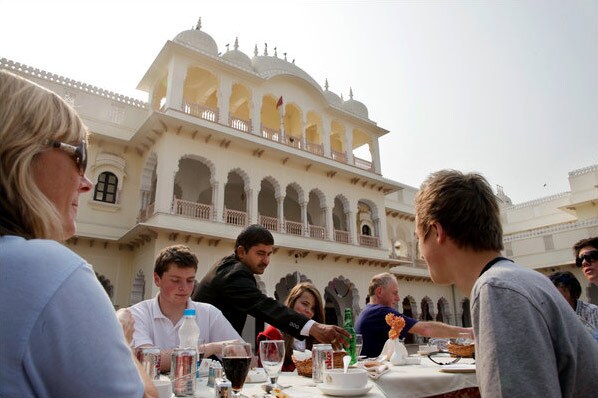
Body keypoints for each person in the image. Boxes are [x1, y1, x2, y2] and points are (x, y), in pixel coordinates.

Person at [0, 70, 156, 397]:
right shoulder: (43, 269)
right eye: (79, 156)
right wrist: (120, 340)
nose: (87, 184)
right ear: (23, 152)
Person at [414, 169, 598, 397]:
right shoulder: (520, 279)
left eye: (419, 238)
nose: (420, 252)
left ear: (437, 231)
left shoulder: (497, 290)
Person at [193, 224, 349, 350]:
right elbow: (264, 306)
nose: (266, 260)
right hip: (203, 355)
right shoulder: (234, 273)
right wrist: (314, 327)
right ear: (241, 251)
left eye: (269, 254)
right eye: (260, 253)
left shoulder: (231, 267)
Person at [128, 244, 243, 372]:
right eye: (175, 280)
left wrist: (236, 352)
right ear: (157, 279)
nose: (184, 287)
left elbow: (247, 358)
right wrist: (209, 348)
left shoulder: (209, 313)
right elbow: (148, 360)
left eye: (190, 280)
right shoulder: (137, 314)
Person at [355, 272, 473, 358]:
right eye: (394, 293)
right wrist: (468, 333)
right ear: (379, 292)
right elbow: (425, 329)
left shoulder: (369, 311)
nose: (398, 298)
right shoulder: (380, 312)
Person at [257, 282, 325, 371]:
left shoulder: (314, 339)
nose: (309, 311)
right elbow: (268, 371)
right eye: (305, 304)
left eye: (313, 308)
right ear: (292, 302)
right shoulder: (273, 334)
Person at [549, 271, 598, 337]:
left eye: (559, 296)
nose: (555, 299)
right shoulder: (550, 314)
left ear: (573, 293)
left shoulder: (592, 311)